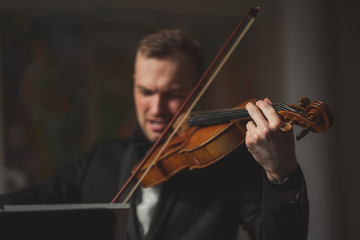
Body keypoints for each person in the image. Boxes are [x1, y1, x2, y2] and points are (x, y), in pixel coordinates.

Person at [0, 29, 309, 240]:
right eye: (146, 91)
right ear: (134, 84)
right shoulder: (102, 158)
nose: (156, 108)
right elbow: (30, 201)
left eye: (173, 93)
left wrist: (279, 170)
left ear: (198, 89)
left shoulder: (230, 162)